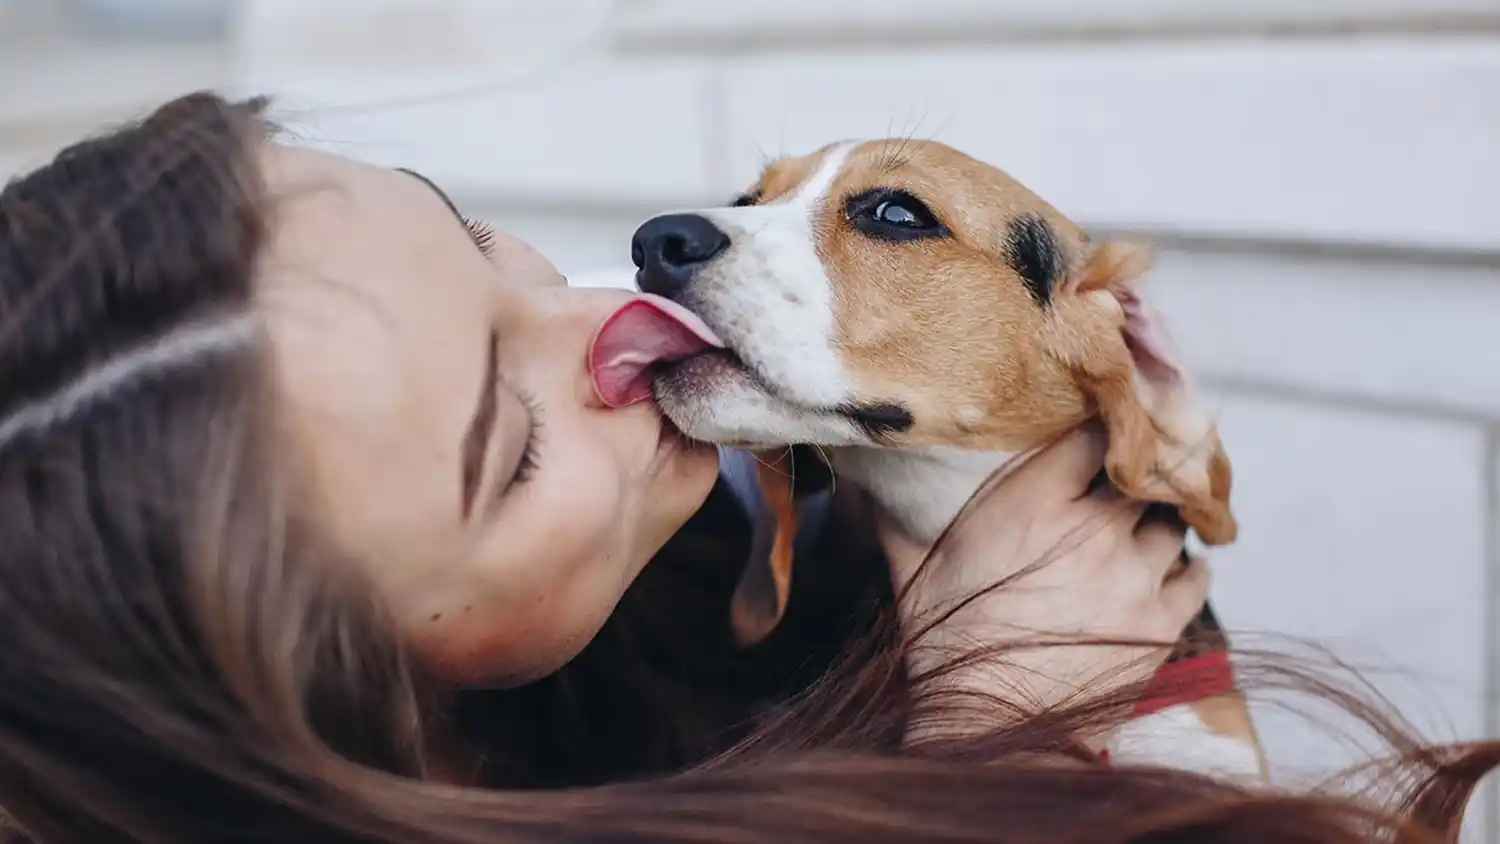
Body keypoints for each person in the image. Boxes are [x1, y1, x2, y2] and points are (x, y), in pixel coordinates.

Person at [0, 92, 1488, 844]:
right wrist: (996, 738)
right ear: (369, 726)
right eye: (508, 449)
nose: (605, 301)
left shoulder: (740, 551)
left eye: (466, 231)